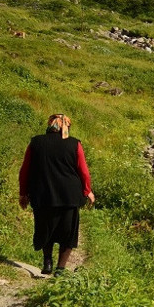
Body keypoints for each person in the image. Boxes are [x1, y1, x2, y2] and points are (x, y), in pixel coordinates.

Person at [19, 114, 95, 275]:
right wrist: (87, 191)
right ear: (66, 127)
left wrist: (23, 193)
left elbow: (25, 170)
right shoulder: (74, 144)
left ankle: (47, 263)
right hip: (69, 196)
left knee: (45, 229)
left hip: (42, 195)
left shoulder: (36, 142)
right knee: (68, 233)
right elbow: (83, 171)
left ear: (50, 126)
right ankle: (60, 268)